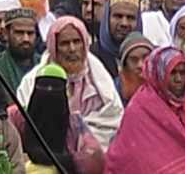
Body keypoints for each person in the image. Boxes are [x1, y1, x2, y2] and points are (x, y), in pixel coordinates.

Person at [104, 45, 185, 174]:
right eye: (172, 73)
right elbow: (141, 161)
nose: (179, 79)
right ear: (158, 74)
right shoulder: (140, 109)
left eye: (183, 73)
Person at [14, 15, 123, 147]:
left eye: (77, 41)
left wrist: (80, 135)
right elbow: (26, 122)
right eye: (65, 43)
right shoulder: (32, 81)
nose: (72, 49)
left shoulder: (99, 77)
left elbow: (113, 118)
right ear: (54, 47)